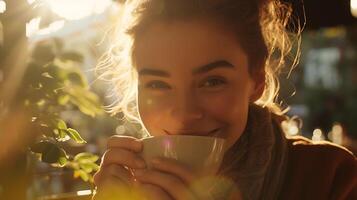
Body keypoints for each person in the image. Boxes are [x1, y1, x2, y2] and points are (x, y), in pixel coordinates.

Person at [93, 0, 357, 199]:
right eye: (158, 84)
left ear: (256, 82)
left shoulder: (330, 175)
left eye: (212, 82)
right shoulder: (129, 185)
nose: (185, 115)